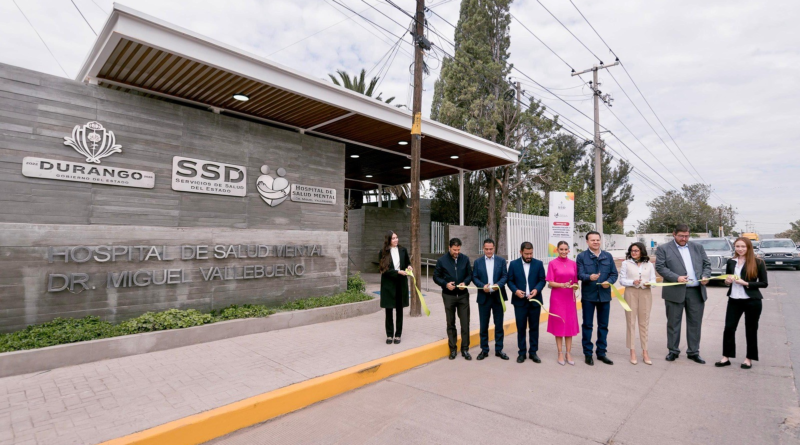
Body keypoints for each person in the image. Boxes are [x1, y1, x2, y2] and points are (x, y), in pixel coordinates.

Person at [655, 223, 711, 364]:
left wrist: (705, 276)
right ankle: (673, 351)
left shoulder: (697, 248)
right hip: (674, 291)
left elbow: (707, 265)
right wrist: (676, 277)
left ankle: (693, 352)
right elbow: (660, 267)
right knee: (674, 323)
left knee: (695, 323)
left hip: (696, 292)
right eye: (681, 236)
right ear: (674, 234)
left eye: (686, 236)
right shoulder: (664, 249)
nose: (684, 238)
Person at [716, 237, 768, 369]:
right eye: (738, 246)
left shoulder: (758, 262)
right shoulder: (731, 262)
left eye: (743, 246)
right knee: (729, 328)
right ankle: (726, 357)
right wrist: (727, 282)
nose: (740, 249)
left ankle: (748, 358)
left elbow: (764, 283)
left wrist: (746, 283)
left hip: (752, 301)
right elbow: (727, 279)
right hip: (734, 299)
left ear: (749, 247)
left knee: (751, 330)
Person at [576, 231, 619, 366]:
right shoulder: (582, 256)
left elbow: (614, 273)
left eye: (597, 240)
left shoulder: (607, 256)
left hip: (604, 296)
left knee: (603, 326)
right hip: (589, 296)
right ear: (587, 242)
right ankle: (588, 354)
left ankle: (601, 352)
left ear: (600, 241)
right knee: (588, 325)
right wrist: (589, 277)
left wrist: (609, 282)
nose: (595, 242)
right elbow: (579, 274)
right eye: (592, 240)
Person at [433, 238, 473, 360]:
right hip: (448, 296)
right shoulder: (442, 261)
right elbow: (436, 276)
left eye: (458, 250)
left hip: (463, 296)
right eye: (454, 250)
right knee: (451, 323)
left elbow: (469, 274)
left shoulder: (465, 259)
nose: (457, 252)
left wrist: (464, 282)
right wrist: (445, 284)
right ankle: (453, 349)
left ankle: (465, 349)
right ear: (449, 248)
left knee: (465, 323)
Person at [507, 241, 547, 364]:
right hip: (520, 302)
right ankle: (522, 352)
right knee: (521, 328)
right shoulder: (513, 264)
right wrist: (515, 291)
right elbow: (510, 281)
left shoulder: (538, 264)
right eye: (526, 254)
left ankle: (533, 352)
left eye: (531, 253)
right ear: (521, 252)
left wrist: (536, 289)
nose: (529, 256)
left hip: (535, 301)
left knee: (534, 327)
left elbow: (542, 280)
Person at [619, 242, 656, 365]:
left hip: (645, 293)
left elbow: (653, 279)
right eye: (632, 250)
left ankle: (645, 351)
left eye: (636, 250)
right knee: (631, 322)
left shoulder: (649, 264)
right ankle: (632, 350)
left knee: (644, 322)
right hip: (631, 293)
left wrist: (650, 283)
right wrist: (632, 282)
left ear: (642, 251)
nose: (634, 253)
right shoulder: (626, 263)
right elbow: (622, 280)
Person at [472, 239, 509, 361]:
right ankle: (484, 350)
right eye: (486, 249)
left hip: (497, 297)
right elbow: (474, 277)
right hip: (484, 297)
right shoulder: (478, 262)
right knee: (484, 325)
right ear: (483, 248)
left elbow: (505, 276)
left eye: (491, 249)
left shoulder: (501, 261)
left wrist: (497, 285)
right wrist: (482, 286)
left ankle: (499, 350)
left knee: (499, 325)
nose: (489, 251)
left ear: (494, 248)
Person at [546, 241, 579, 366]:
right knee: (559, 324)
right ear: (557, 250)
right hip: (557, 298)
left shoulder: (573, 264)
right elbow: (550, 282)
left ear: (569, 250)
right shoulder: (552, 263)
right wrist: (562, 285)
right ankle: (560, 352)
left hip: (570, 298)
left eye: (566, 249)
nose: (564, 251)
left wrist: (575, 287)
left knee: (569, 325)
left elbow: (575, 281)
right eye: (561, 249)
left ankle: (568, 352)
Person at [379, 230, 410, 345]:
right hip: (388, 285)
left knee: (399, 310)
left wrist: (409, 267)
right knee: (389, 310)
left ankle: (398, 334)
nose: (396, 240)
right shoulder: (383, 252)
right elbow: (384, 270)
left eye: (397, 237)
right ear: (388, 240)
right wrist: (398, 272)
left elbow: (407, 263)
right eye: (393, 238)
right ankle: (389, 334)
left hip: (400, 284)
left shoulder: (403, 250)